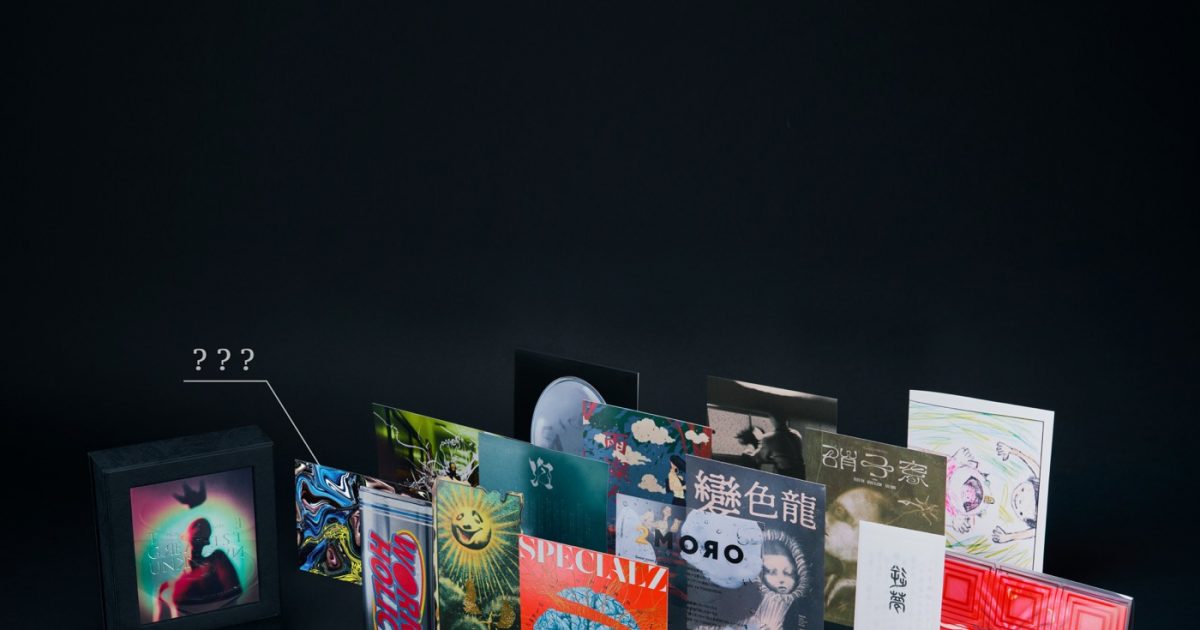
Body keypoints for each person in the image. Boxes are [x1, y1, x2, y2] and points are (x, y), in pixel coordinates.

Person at [155, 518, 243, 620]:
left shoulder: (218, 559)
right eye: (196, 526)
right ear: (185, 535)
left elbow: (233, 596)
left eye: (204, 531)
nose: (199, 530)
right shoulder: (170, 585)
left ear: (207, 541)